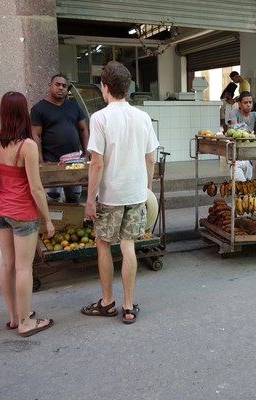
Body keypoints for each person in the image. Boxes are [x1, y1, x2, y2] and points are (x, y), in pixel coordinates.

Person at [81, 61, 159, 324]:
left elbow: (97, 163)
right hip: (135, 194)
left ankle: (107, 302)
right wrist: (146, 189)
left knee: (103, 245)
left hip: (111, 195)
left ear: (104, 87)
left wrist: (89, 200)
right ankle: (128, 306)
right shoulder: (143, 117)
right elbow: (151, 159)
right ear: (128, 88)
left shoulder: (100, 118)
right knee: (128, 246)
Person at [0, 92, 55, 337]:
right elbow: (36, 187)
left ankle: (14, 317)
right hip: (22, 212)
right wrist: (48, 219)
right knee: (24, 268)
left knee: (8, 264)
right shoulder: (27, 146)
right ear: (24, 113)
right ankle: (27, 322)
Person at [31, 73, 90, 203]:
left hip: (74, 162)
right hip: (51, 162)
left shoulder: (73, 106)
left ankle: (71, 223)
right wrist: (40, 162)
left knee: (74, 196)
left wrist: (86, 154)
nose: (61, 88)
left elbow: (83, 129)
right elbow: (35, 135)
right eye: (57, 84)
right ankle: (54, 223)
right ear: (49, 86)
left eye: (64, 86)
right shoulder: (39, 109)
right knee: (53, 198)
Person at [228, 91, 256, 181]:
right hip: (236, 153)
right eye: (245, 102)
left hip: (248, 153)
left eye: (250, 102)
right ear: (239, 103)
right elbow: (234, 126)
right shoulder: (234, 113)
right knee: (239, 182)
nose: (248, 105)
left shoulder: (254, 115)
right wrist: (248, 131)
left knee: (248, 182)